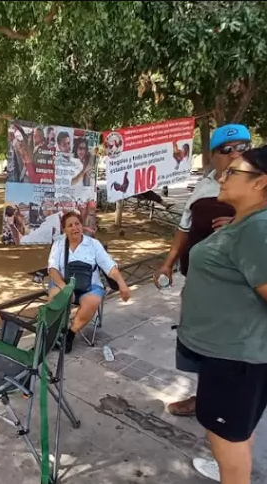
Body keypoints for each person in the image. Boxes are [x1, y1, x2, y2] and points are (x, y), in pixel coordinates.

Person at [177, 146, 267, 484]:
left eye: (234, 172)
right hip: (225, 355)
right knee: (235, 436)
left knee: (227, 440)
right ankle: (233, 468)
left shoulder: (257, 230)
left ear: (260, 183)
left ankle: (234, 474)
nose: (223, 176)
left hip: (236, 360)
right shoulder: (248, 225)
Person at [154, 123, 251, 418]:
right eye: (227, 149)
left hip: (237, 285)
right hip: (197, 280)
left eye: (244, 148)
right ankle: (204, 397)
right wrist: (169, 263)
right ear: (214, 155)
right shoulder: (205, 185)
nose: (236, 154)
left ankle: (227, 410)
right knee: (197, 341)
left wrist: (239, 225)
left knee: (229, 346)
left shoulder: (259, 184)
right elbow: (184, 227)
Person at [47, 211, 130, 353]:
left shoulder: (93, 244)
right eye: (70, 225)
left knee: (92, 301)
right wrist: (65, 287)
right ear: (64, 229)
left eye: (77, 224)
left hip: (90, 286)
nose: (75, 228)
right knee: (56, 297)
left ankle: (70, 334)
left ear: (82, 226)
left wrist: (122, 285)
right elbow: (52, 269)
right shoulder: (59, 244)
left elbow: (110, 267)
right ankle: (57, 332)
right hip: (64, 284)